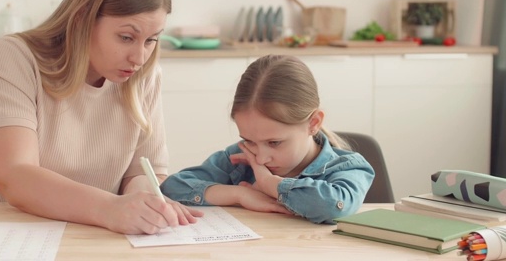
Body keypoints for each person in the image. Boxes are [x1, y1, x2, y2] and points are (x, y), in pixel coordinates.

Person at [0, 0, 203, 234]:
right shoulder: (16, 57)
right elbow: (14, 175)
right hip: (3, 235)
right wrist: (110, 208)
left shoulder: (145, 75)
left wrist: (145, 199)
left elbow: (143, 170)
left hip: (91, 236)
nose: (139, 57)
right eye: (126, 37)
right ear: (83, 19)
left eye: (151, 40)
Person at [160, 54, 375, 224]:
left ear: (313, 123)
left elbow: (333, 205)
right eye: (250, 140)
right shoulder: (240, 158)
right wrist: (239, 194)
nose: (260, 158)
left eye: (274, 143)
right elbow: (172, 187)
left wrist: (270, 184)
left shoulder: (349, 168)